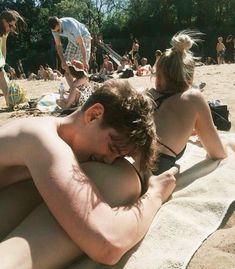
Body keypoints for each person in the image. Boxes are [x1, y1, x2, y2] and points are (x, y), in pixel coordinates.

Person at [0, 79, 177, 268]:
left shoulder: (45, 134)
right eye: (112, 148)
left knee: (122, 179)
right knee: (120, 183)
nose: (109, 160)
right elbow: (108, 245)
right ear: (94, 115)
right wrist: (156, 195)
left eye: (120, 155)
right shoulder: (43, 142)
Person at [147, 30, 227, 175]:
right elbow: (218, 153)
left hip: (134, 168)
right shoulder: (193, 98)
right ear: (190, 79)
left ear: (158, 77)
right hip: (157, 172)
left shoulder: (147, 95)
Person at [0, 10, 25, 105]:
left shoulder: (4, 33)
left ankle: (10, 102)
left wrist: (3, 62)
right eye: (10, 25)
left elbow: (3, 47)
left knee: (9, 100)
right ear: (3, 21)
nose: (11, 28)